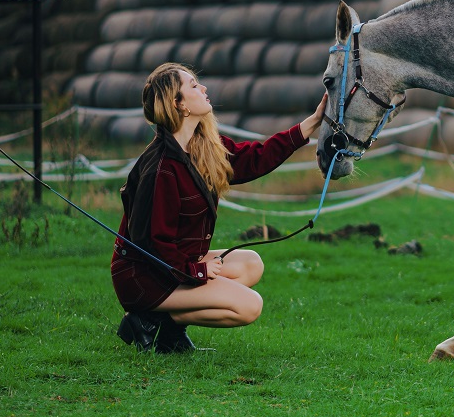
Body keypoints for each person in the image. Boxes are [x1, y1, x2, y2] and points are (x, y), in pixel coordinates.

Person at [112, 62, 327, 353]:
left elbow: (254, 158)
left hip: (174, 264)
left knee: (250, 264)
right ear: (179, 105)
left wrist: (312, 123)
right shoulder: (160, 169)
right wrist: (197, 271)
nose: (203, 88)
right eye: (193, 86)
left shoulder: (202, 146)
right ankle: (151, 320)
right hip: (145, 277)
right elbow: (153, 244)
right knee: (249, 306)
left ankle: (160, 328)